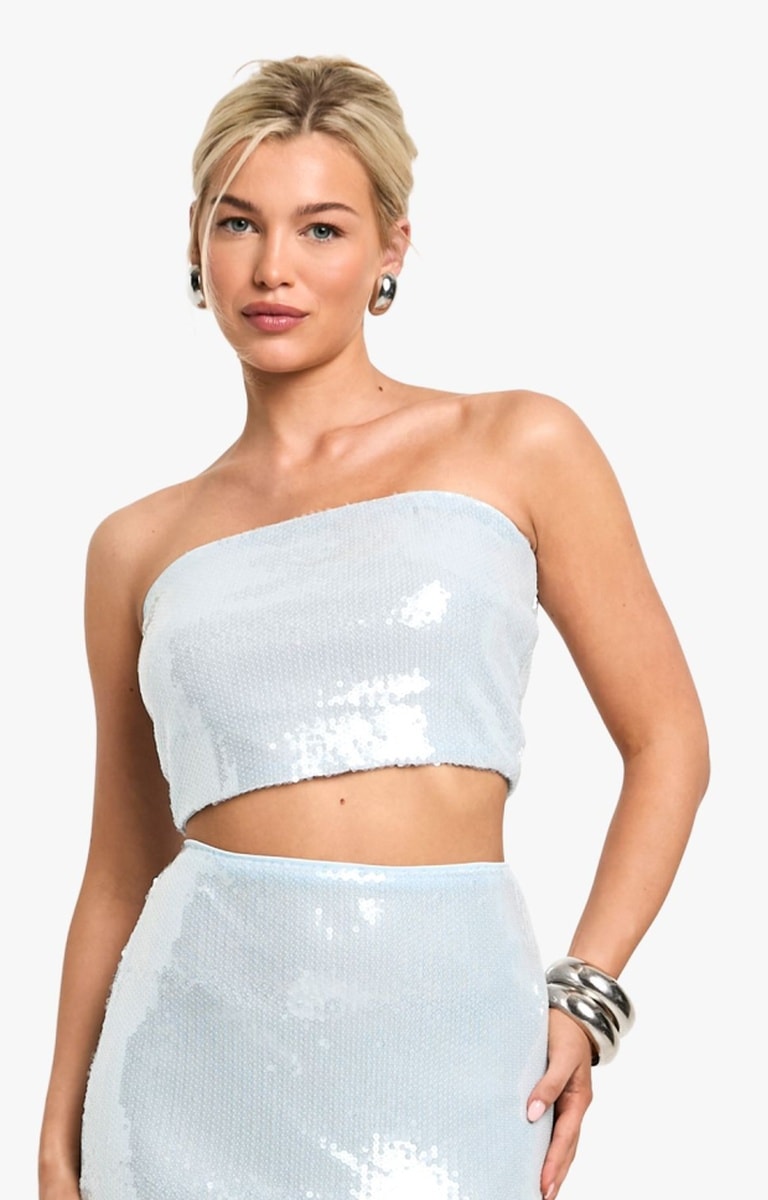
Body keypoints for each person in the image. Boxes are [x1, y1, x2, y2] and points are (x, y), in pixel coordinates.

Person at [37, 55, 709, 1200]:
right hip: (184, 1073)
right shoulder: (136, 545)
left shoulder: (516, 446)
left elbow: (668, 743)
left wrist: (587, 994)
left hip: (454, 1063)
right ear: (195, 240)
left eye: (321, 229)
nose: (273, 267)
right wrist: (58, 1143)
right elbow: (121, 866)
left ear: (391, 247)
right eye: (239, 222)